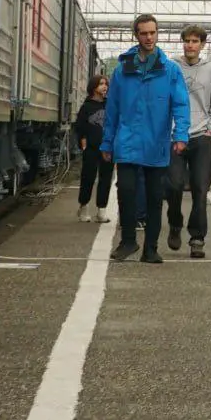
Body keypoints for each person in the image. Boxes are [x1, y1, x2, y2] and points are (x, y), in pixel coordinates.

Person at [101, 13, 190, 263]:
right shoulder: (123, 70)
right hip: (128, 140)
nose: (149, 37)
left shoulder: (170, 70)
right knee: (126, 190)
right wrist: (107, 142)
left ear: (157, 34)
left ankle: (150, 248)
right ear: (136, 35)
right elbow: (113, 109)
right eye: (144, 33)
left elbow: (181, 105)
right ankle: (128, 240)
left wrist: (180, 135)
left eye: (153, 32)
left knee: (154, 197)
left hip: (156, 142)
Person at [165, 25, 211, 258]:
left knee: (200, 188)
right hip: (174, 136)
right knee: (174, 185)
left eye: (195, 41)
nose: (190, 45)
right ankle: (175, 224)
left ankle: (197, 238)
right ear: (182, 43)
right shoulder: (171, 67)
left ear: (202, 44)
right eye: (187, 41)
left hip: (200, 138)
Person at [74, 74, 113, 223]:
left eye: (106, 84)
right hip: (91, 148)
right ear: (93, 87)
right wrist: (82, 140)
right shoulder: (87, 106)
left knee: (106, 179)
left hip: (108, 147)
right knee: (88, 177)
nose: (104, 87)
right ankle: (83, 207)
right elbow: (80, 126)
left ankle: (101, 210)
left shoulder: (110, 104)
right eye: (101, 84)